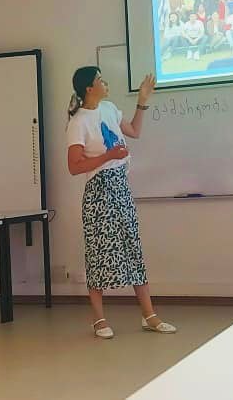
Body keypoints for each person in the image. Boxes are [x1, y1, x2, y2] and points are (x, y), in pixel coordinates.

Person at [66, 68, 176, 340]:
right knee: (98, 253)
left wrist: (142, 101)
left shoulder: (109, 108)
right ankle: (99, 319)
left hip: (121, 188)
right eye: (100, 80)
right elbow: (74, 166)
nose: (105, 83)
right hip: (99, 191)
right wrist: (108, 156)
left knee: (132, 248)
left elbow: (134, 131)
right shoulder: (78, 122)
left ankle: (149, 315)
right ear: (89, 88)